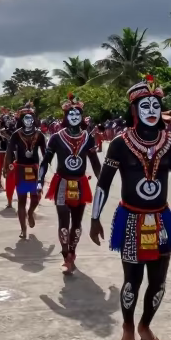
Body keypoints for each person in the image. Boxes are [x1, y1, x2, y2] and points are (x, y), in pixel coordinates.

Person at [90, 76, 171, 340]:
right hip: (130, 220)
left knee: (158, 282)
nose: (151, 111)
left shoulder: (170, 143)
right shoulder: (120, 144)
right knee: (132, 281)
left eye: (155, 105)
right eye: (145, 106)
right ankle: (128, 327)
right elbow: (103, 183)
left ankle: (145, 325)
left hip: (161, 220)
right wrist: (94, 218)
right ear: (134, 110)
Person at [41, 94, 102, 272]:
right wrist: (39, 180)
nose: (74, 117)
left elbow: (95, 163)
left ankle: (72, 253)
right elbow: (45, 161)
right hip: (61, 183)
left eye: (77, 114)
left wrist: (102, 182)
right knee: (63, 222)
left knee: (76, 224)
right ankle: (65, 255)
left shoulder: (88, 138)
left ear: (81, 117)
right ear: (65, 117)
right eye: (71, 114)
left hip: (80, 183)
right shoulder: (56, 138)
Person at [4, 107, 48, 240]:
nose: (28, 120)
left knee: (35, 197)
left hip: (34, 169)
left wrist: (46, 166)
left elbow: (46, 153)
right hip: (21, 169)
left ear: (34, 120)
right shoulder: (16, 134)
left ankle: (30, 212)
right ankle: (23, 229)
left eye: (30, 118)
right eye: (25, 118)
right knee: (21, 200)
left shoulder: (39, 135)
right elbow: (9, 150)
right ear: (22, 120)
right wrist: (7, 166)